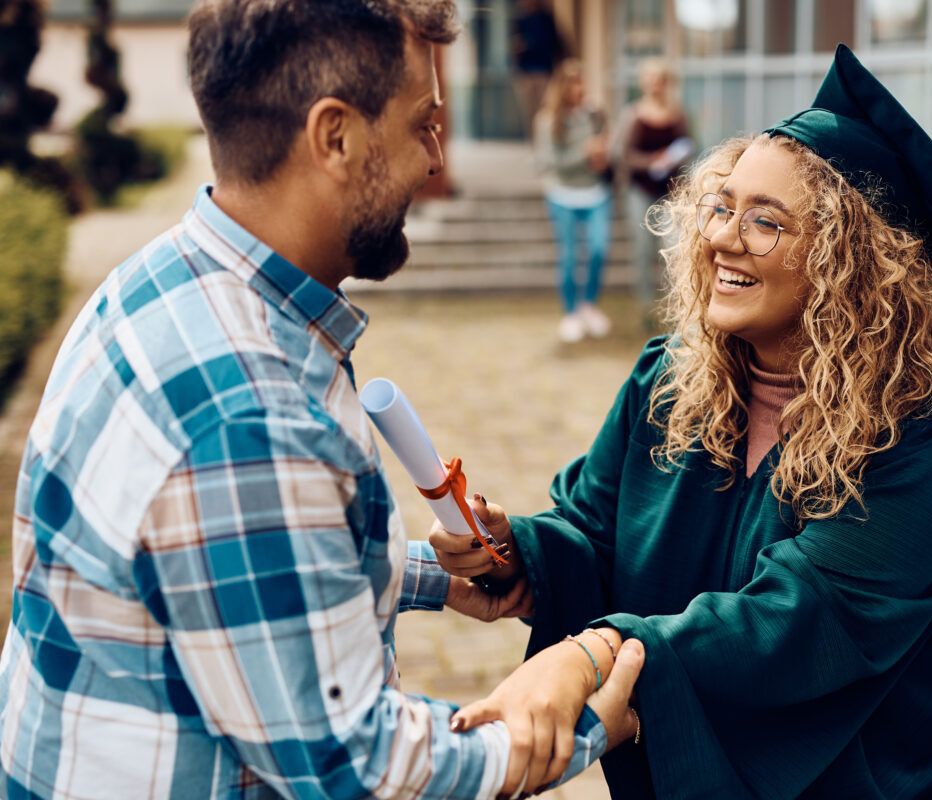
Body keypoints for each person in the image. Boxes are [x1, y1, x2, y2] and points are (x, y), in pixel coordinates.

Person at [0, 1, 642, 798]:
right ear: (334, 137)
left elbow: (237, 571)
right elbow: (354, 768)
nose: (436, 159)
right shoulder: (248, 414)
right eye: (422, 125)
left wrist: (432, 577)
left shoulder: (161, 282)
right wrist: (581, 723)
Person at [433, 45, 932, 798]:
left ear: (853, 263)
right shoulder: (670, 380)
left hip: (896, 765)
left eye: (765, 222)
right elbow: (596, 528)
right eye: (721, 206)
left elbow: (803, 621)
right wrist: (522, 556)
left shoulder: (926, 440)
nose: (719, 238)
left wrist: (594, 657)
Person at [532, 59, 613, 343]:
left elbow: (605, 151)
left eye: (583, 82)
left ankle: (588, 305)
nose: (580, 89)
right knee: (568, 256)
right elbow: (549, 163)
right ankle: (570, 313)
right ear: (563, 88)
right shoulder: (548, 120)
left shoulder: (593, 115)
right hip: (563, 193)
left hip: (595, 193)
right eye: (575, 83)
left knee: (598, 249)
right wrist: (585, 153)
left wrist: (603, 156)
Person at [612, 58, 693, 325]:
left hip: (671, 193)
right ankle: (645, 307)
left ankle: (675, 307)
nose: (655, 85)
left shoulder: (678, 114)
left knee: (673, 250)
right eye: (651, 79)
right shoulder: (633, 114)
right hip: (640, 190)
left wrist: (675, 160)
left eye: (660, 80)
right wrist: (652, 161)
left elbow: (688, 147)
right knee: (643, 249)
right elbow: (622, 155)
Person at [509, 0, 565, 138]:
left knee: (545, 110)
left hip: (544, 72)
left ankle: (544, 142)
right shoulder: (520, 20)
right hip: (526, 73)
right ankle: (534, 145)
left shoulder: (546, 19)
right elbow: (513, 48)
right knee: (529, 113)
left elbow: (557, 44)